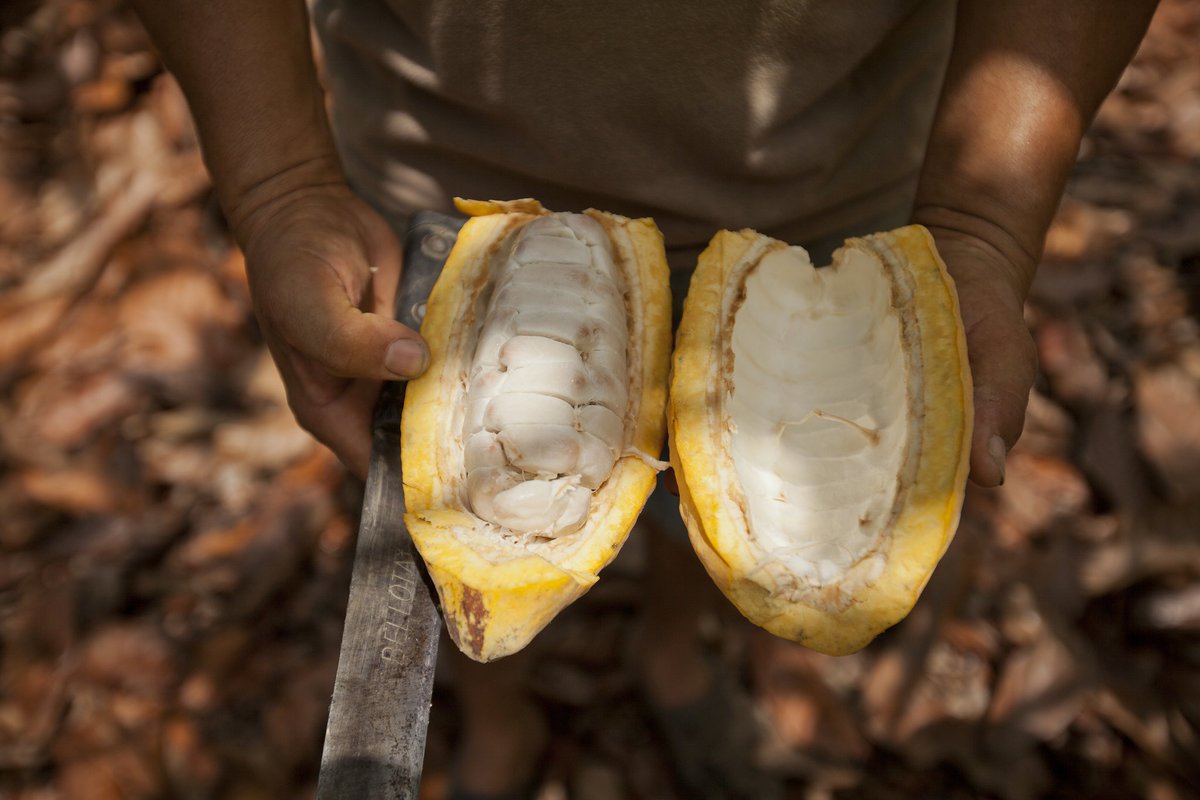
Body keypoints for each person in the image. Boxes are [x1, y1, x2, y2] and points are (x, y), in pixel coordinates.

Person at [130, 2, 1158, 797]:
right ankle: (496, 713)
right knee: (460, 545)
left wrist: (982, 220)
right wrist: (280, 183)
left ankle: (670, 649)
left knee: (705, 502)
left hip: (825, 181)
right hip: (435, 192)